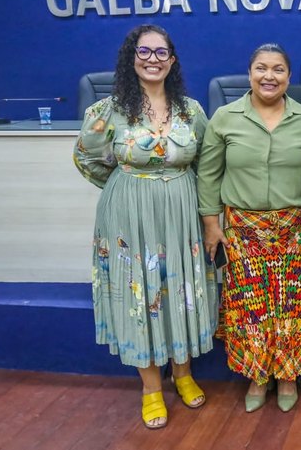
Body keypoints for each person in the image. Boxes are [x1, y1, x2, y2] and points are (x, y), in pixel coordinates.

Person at [73, 24, 216, 429]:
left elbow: (207, 161)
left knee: (181, 289)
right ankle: (152, 388)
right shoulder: (109, 111)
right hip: (129, 218)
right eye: (144, 51)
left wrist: (203, 211)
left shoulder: (191, 110)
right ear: (131, 58)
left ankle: (184, 375)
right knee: (141, 293)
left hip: (183, 215)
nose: (153, 59)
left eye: (161, 52)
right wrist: (127, 186)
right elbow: (86, 157)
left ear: (172, 60)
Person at [197, 43, 301, 414]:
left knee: (293, 306)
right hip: (243, 229)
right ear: (250, 72)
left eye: (278, 70)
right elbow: (208, 174)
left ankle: (288, 377)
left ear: (289, 76)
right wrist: (211, 223)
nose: (269, 76)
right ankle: (258, 377)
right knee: (251, 309)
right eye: (261, 68)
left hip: (296, 228)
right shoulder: (224, 117)